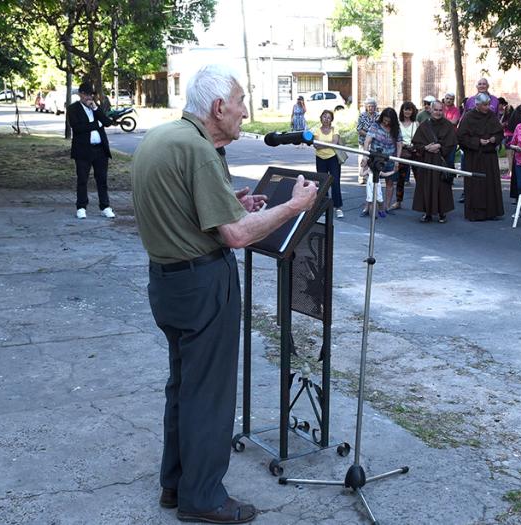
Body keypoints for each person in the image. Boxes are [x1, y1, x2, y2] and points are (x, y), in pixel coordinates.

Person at [132, 64, 318, 524]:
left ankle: (175, 485)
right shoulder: (197, 150)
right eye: (240, 101)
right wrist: (294, 206)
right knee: (209, 394)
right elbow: (235, 237)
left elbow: (185, 205)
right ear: (219, 107)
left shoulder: (165, 137)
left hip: (168, 281)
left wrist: (234, 198)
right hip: (201, 285)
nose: (244, 111)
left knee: (184, 387)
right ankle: (204, 498)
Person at [68, 81, 115, 220]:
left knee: (102, 179)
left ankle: (105, 206)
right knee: (82, 179)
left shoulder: (95, 107)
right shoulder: (73, 109)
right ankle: (81, 207)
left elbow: (107, 122)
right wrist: (96, 124)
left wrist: (96, 110)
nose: (89, 97)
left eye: (91, 95)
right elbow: (78, 128)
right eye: (86, 95)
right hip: (83, 150)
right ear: (80, 95)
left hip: (100, 149)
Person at [457, 92, 505, 221]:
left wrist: (495, 139)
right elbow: (461, 137)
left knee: (491, 184)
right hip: (474, 157)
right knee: (476, 185)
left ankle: (492, 212)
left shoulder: (491, 116)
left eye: (488, 104)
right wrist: (477, 141)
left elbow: (500, 133)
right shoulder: (468, 117)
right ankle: (476, 213)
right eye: (484, 105)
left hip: (489, 156)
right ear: (477, 105)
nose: (487, 107)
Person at [411, 101, 457, 223]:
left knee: (441, 187)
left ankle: (442, 213)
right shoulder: (424, 125)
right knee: (426, 186)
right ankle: (427, 213)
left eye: (440, 110)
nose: (438, 112)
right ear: (430, 110)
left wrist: (439, 146)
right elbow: (416, 143)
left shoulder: (447, 125)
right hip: (426, 161)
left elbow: (451, 143)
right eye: (435, 110)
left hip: (441, 161)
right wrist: (426, 148)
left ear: (443, 111)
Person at [361, 107, 402, 218]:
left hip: (390, 158)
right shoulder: (376, 125)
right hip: (376, 158)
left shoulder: (396, 128)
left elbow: (399, 144)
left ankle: (386, 207)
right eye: (385, 120)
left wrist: (397, 161)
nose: (386, 122)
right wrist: (365, 156)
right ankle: (367, 207)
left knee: (390, 183)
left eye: (389, 121)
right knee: (372, 183)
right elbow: (367, 141)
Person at [312, 109, 344, 218]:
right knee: (323, 182)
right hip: (320, 158)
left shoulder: (335, 129)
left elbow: (334, 143)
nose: (326, 119)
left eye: (329, 117)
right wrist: (327, 144)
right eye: (324, 117)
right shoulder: (317, 130)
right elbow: (316, 145)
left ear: (331, 120)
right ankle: (324, 206)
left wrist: (322, 144)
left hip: (333, 158)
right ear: (321, 118)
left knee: (335, 182)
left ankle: (338, 207)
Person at [390, 101, 419, 211]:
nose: (407, 111)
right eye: (405, 109)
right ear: (402, 110)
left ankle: (421, 202)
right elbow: (394, 138)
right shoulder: (398, 124)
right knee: (400, 179)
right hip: (402, 152)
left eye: (409, 109)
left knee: (419, 178)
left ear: (413, 111)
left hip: (414, 152)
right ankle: (398, 201)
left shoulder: (416, 124)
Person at [356, 98, 379, 184]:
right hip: (363, 141)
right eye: (369, 106)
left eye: (372, 106)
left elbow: (380, 128)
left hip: (374, 143)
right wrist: (369, 135)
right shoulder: (362, 116)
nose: (370, 108)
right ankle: (362, 177)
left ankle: (372, 177)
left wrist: (373, 136)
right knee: (363, 159)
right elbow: (359, 129)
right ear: (366, 107)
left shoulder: (378, 116)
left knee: (373, 160)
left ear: (375, 107)